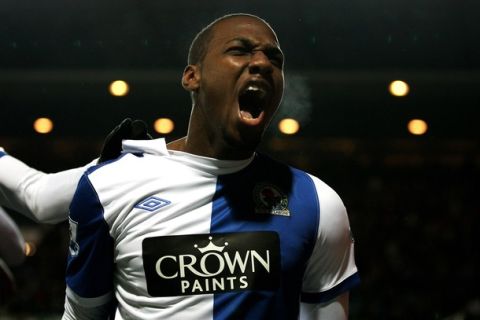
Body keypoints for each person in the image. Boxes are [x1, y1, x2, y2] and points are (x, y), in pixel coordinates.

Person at [1, 13, 359, 319]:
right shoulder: (110, 183)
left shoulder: (318, 203)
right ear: (192, 77)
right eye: (240, 50)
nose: (263, 63)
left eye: (275, 59)